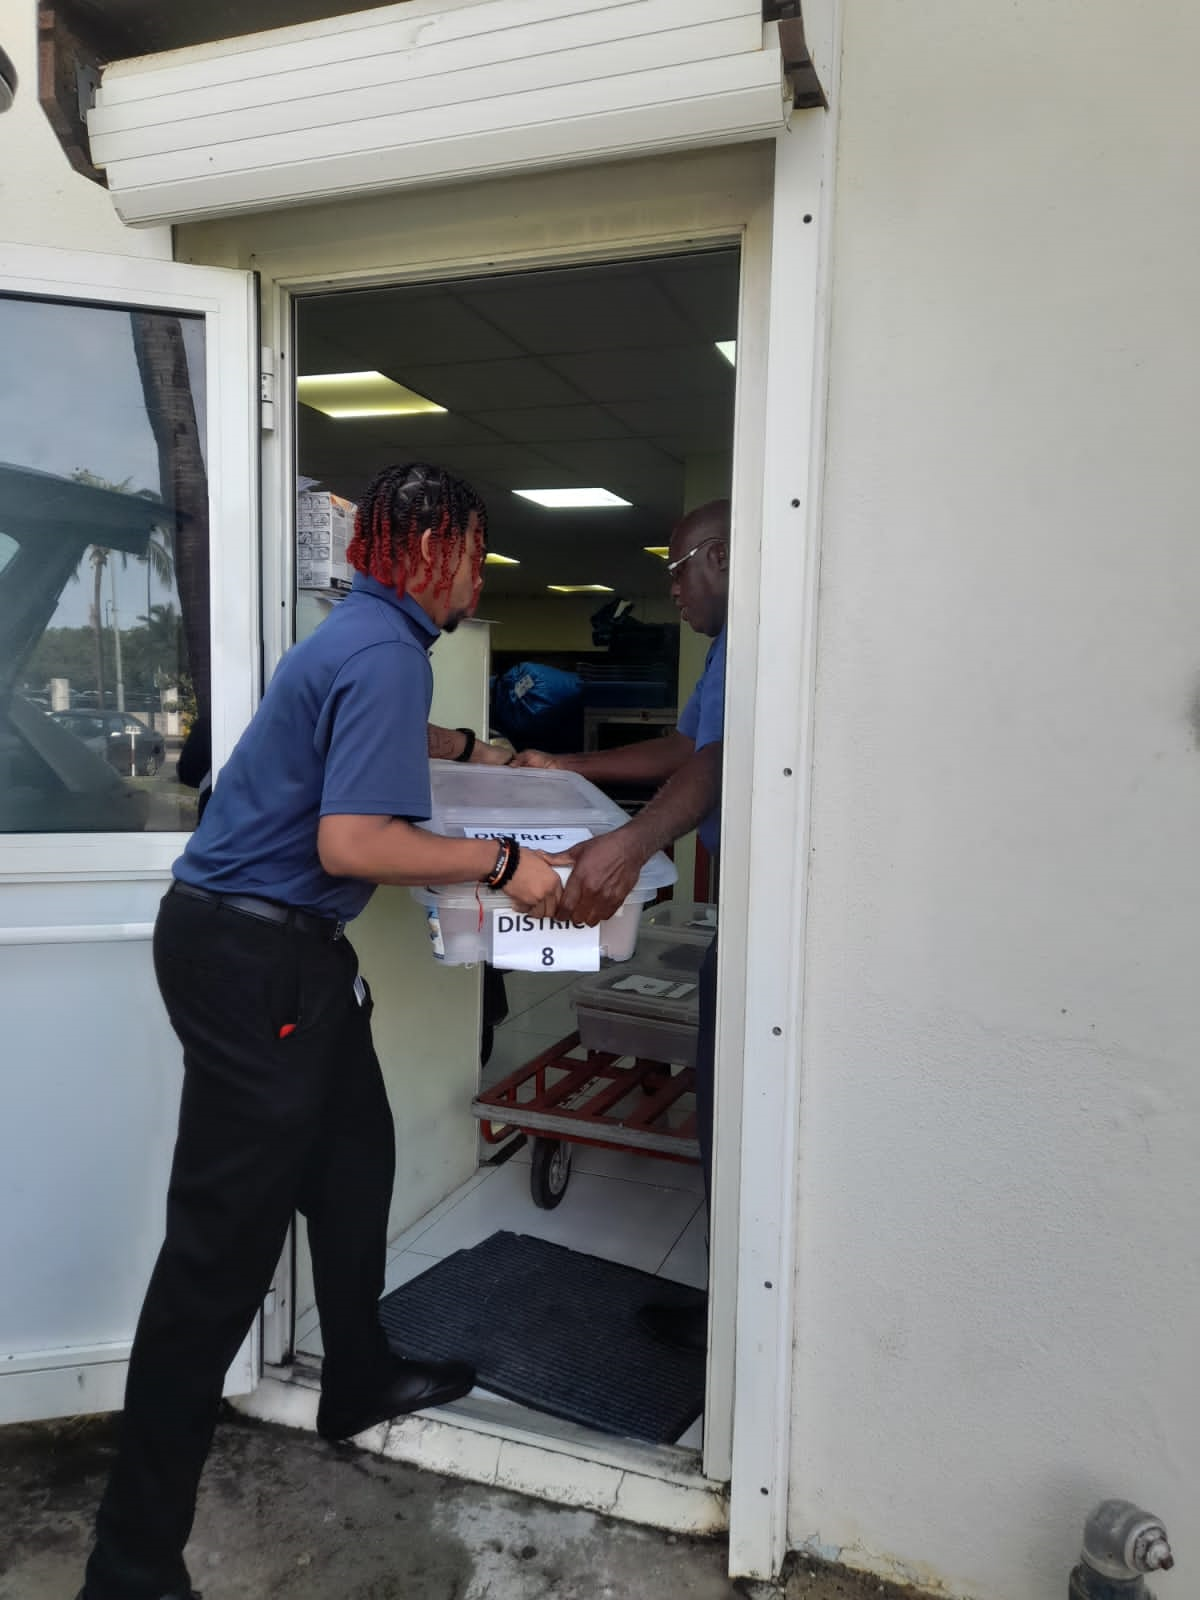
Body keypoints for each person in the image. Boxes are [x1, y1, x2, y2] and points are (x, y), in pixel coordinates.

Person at [78, 463, 564, 1600]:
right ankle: (130, 1564)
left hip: (268, 951)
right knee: (217, 1260)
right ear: (434, 554)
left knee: (353, 1163)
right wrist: (505, 862)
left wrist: (475, 750)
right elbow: (353, 842)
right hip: (259, 962)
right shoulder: (385, 650)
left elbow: (374, 734)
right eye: (474, 552)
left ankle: (358, 1375)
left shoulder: (364, 638)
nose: (479, 574)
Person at [513, 498, 730, 1352]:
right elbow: (688, 748)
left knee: (736, 1106)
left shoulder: (764, 640)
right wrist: (568, 765)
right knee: (723, 1097)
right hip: (745, 911)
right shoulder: (727, 651)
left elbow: (722, 759)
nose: (671, 589)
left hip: (782, 919)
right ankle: (730, 1299)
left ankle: (735, 1315)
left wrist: (632, 845)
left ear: (721, 558)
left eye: (677, 569)